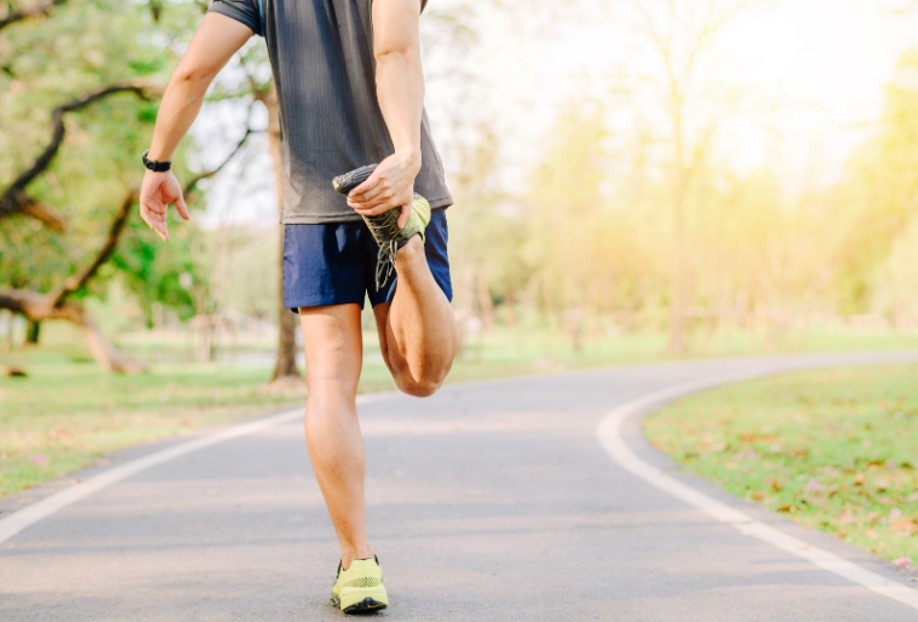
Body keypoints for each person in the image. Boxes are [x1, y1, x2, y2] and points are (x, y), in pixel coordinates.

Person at [138, 0, 457, 614]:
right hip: (400, 181)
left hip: (316, 198)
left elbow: (191, 73)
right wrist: (405, 159)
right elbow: (393, 47)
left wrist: (159, 161)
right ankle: (404, 242)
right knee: (420, 378)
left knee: (329, 384)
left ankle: (358, 562)